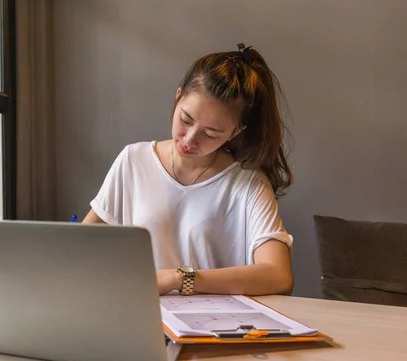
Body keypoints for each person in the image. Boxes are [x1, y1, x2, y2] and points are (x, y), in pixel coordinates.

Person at [82, 44, 294, 296]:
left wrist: (179, 278)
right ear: (178, 96)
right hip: (140, 313)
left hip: (214, 326)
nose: (190, 139)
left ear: (235, 133)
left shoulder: (247, 183)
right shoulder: (133, 160)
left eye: (210, 133)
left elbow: (278, 276)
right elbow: (82, 243)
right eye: (186, 120)